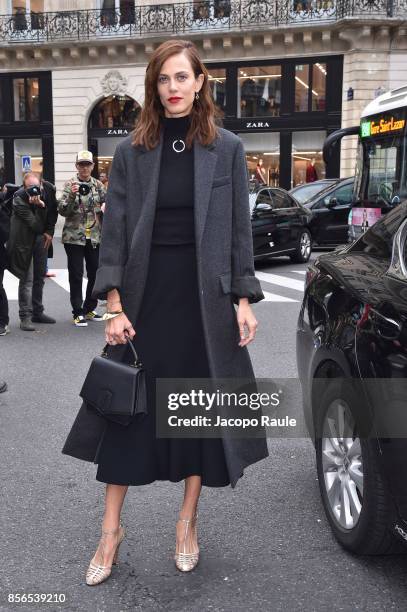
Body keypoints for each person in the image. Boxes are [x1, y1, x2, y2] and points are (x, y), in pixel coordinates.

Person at [61, 39, 269, 586]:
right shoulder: (132, 151)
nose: (173, 88)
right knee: (127, 415)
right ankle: (111, 531)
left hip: (204, 302)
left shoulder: (226, 148)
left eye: (182, 77)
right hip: (146, 299)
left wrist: (242, 301)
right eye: (163, 79)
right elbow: (115, 234)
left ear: (200, 82)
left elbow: (238, 234)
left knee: (195, 416)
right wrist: (112, 302)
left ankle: (186, 523)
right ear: (154, 88)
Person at [58, 151, 105, 327]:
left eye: (88, 164)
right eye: (81, 164)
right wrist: (72, 196)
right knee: (76, 275)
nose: (85, 168)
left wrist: (104, 207)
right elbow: (62, 211)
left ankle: (89, 308)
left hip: (93, 236)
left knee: (94, 273)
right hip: (73, 237)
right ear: (77, 166)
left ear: (92, 166)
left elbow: (108, 204)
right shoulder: (70, 184)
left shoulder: (98, 185)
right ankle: (77, 312)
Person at [7, 172, 58, 331]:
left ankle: (38, 312)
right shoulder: (19, 198)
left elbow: (53, 212)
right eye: (30, 188)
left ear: (41, 184)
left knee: (40, 275)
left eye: (36, 187)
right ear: (24, 187)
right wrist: (40, 206)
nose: (34, 191)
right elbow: (35, 225)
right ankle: (25, 317)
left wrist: (49, 231)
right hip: (24, 241)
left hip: (40, 238)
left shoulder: (48, 189)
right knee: (27, 279)